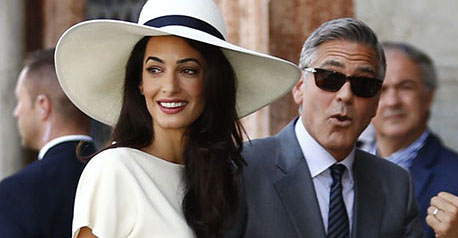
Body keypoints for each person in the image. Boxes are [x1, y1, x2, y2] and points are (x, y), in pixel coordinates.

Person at [54, 0, 300, 237]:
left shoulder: (225, 177)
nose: (169, 87)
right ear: (139, 82)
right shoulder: (115, 169)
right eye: (155, 70)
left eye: (188, 70)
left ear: (212, 82)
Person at [229, 18, 458, 238]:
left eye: (363, 84)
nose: (346, 95)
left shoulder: (394, 184)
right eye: (330, 78)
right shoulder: (241, 168)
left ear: (376, 102)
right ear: (299, 88)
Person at [360, 42, 458, 237]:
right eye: (381, 90)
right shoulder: (344, 165)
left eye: (405, 87)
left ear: (429, 96)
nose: (392, 101)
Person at [0, 48, 95, 237]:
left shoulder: (16, 192)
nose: (16, 112)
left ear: (43, 106)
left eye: (20, 101)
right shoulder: (116, 174)